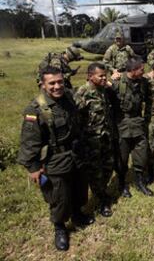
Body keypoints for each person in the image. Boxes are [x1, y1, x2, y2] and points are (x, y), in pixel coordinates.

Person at [18, 66, 93, 251]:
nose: (57, 86)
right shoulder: (36, 109)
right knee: (59, 197)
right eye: (52, 83)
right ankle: (60, 228)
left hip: (76, 154)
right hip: (55, 160)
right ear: (42, 84)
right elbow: (29, 142)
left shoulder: (68, 97)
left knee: (79, 188)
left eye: (60, 81)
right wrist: (34, 167)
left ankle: (77, 214)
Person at [74, 63, 115, 217]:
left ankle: (103, 191)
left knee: (108, 166)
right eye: (101, 76)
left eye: (105, 75)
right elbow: (75, 117)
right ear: (90, 76)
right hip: (91, 142)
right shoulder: (82, 93)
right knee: (95, 172)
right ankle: (102, 200)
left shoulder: (103, 90)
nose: (105, 78)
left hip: (106, 137)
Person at [111, 57, 154, 197]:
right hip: (121, 126)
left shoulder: (143, 82)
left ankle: (139, 182)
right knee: (121, 159)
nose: (143, 71)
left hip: (138, 124)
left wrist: (146, 119)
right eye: (141, 69)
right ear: (133, 70)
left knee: (141, 155)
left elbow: (148, 100)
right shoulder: (116, 84)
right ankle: (122, 184)